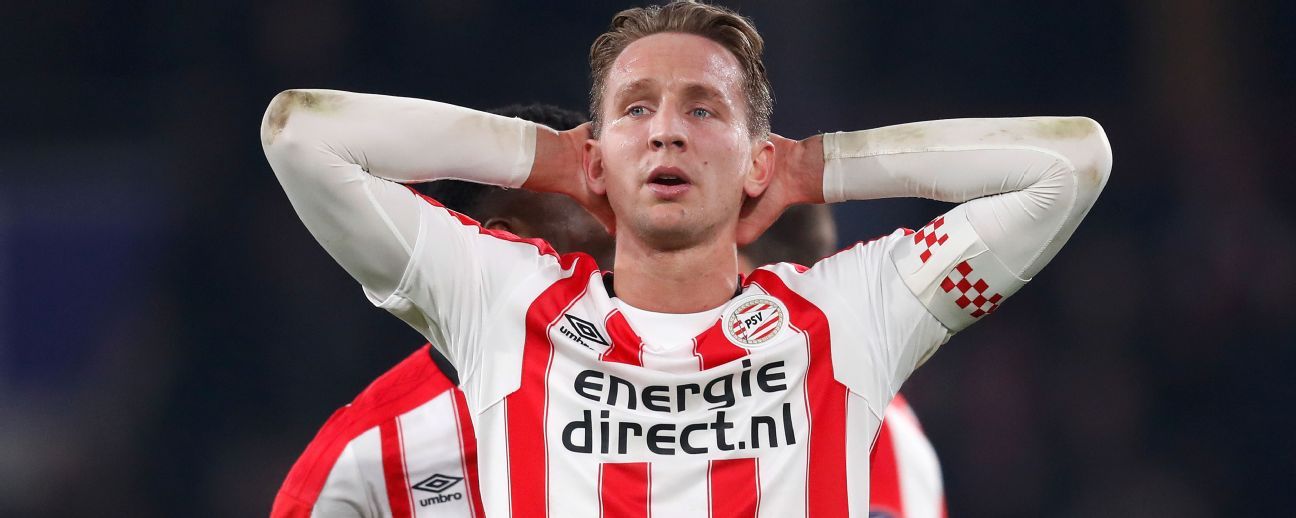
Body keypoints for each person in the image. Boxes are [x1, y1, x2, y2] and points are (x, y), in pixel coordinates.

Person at [261, 1, 1112, 515]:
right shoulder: (503, 304)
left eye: (704, 109)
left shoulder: (849, 316)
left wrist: (816, 167)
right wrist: (551, 160)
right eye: (636, 109)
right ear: (598, 157)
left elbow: (1070, 165)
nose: (667, 129)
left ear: (756, 159)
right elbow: (299, 135)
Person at [272, 188, 946, 517]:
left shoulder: (855, 419)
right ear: (504, 248)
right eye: (603, 261)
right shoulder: (374, 450)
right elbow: (303, 142)